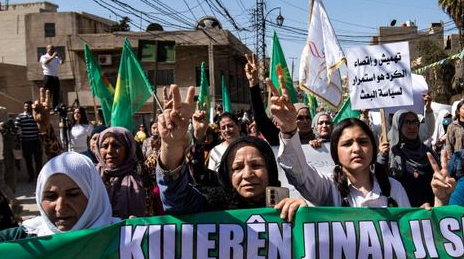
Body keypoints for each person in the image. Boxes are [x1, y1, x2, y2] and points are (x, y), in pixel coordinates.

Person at [155, 85, 308, 220]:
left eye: (256, 165)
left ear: (270, 170)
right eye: (238, 168)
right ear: (226, 174)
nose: (248, 174)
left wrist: (304, 216)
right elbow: (176, 198)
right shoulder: (212, 206)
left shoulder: (285, 206)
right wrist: (171, 144)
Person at [271, 78, 411, 208]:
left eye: (363, 142)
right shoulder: (328, 188)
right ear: (335, 152)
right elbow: (299, 174)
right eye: (347, 144)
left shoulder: (394, 188)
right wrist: (289, 131)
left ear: (373, 148)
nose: (356, 149)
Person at [380, 108, 438, 207]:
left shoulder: (427, 152)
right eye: (406, 122)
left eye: (414, 122)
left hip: (430, 211)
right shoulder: (390, 152)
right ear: (398, 126)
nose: (411, 127)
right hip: (405, 214)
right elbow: (378, 177)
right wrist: (382, 157)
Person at [94, 126, 149, 218]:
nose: (110, 151)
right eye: (104, 146)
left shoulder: (142, 175)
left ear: (128, 149)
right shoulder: (92, 176)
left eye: (116, 145)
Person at [0, 106, 18, 198]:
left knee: (9, 174)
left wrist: (3, 130)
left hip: (7, 151)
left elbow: (13, 136)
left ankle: (12, 197)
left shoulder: (9, 122)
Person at [15, 100, 43, 181]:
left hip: (36, 141)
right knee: (28, 161)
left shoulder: (36, 116)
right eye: (26, 106)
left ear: (32, 107)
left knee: (38, 161)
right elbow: (16, 127)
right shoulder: (20, 116)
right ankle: (31, 177)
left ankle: (39, 177)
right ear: (24, 107)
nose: (27, 107)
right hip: (25, 142)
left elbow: (41, 126)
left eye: (29, 106)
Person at [40, 44, 62, 110]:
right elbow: (46, 62)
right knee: (47, 93)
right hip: (48, 76)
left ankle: (55, 107)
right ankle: (45, 107)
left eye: (53, 49)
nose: (52, 50)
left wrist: (60, 55)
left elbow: (61, 62)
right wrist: (52, 56)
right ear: (47, 50)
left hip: (55, 77)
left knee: (56, 93)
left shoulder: (56, 58)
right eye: (51, 49)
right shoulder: (44, 56)